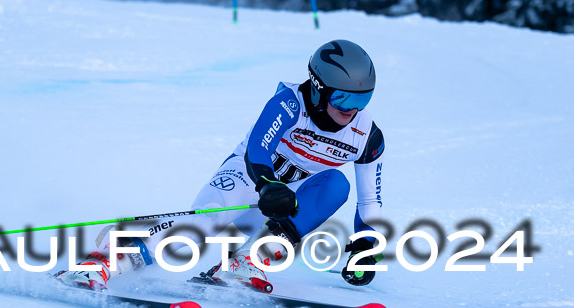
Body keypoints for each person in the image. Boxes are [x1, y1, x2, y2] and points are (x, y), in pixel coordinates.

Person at [57, 39, 385, 292]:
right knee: (205, 225)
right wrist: (269, 184)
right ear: (317, 88)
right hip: (246, 181)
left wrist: (366, 246)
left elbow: (371, 200)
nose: (350, 110)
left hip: (285, 205)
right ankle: (102, 261)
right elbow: (258, 148)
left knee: (336, 185)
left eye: (362, 99)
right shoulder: (289, 103)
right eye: (342, 98)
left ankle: (247, 260)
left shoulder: (366, 136)